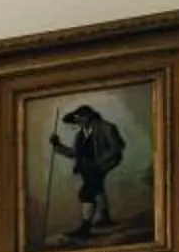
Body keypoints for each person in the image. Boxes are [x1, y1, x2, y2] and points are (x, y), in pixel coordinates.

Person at [49, 102, 127, 240]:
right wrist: (57, 145)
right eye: (76, 120)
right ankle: (105, 217)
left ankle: (85, 228)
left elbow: (117, 147)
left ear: (87, 117)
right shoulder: (80, 135)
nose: (77, 122)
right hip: (86, 168)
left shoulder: (106, 127)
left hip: (101, 165)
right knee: (97, 189)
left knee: (86, 193)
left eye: (79, 118)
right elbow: (74, 153)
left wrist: (98, 162)